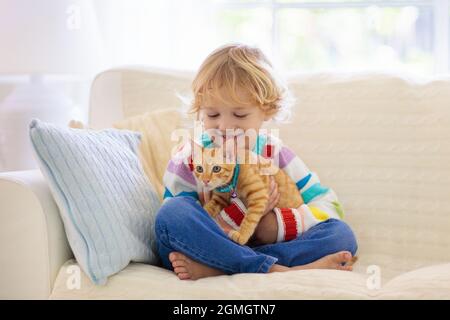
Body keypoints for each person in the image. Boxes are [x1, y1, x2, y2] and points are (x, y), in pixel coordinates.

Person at [155, 43, 358, 280]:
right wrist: (228, 217)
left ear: (267, 111)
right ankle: (272, 269)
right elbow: (180, 221)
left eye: (239, 114)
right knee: (171, 214)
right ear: (200, 111)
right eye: (212, 114)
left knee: (341, 235)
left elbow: (330, 206)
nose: (224, 127)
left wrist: (272, 226)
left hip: (262, 246)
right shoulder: (190, 155)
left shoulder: (275, 152)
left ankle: (226, 267)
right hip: (211, 245)